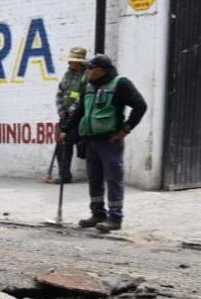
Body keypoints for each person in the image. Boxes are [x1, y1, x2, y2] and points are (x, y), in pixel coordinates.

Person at [61, 54, 147, 232]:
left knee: (113, 179)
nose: (88, 72)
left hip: (110, 141)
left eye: (90, 69)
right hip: (91, 140)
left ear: (101, 70)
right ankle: (97, 214)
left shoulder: (120, 83)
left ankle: (115, 218)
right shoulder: (89, 86)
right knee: (94, 178)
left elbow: (140, 105)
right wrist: (66, 129)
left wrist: (125, 129)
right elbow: (79, 111)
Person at [55, 47, 88, 184]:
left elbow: (83, 97)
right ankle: (64, 174)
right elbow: (60, 92)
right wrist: (61, 109)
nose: (69, 64)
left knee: (68, 142)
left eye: (72, 61)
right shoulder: (67, 74)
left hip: (79, 117)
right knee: (61, 145)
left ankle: (65, 176)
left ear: (79, 62)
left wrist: (72, 111)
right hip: (65, 116)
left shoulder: (86, 75)